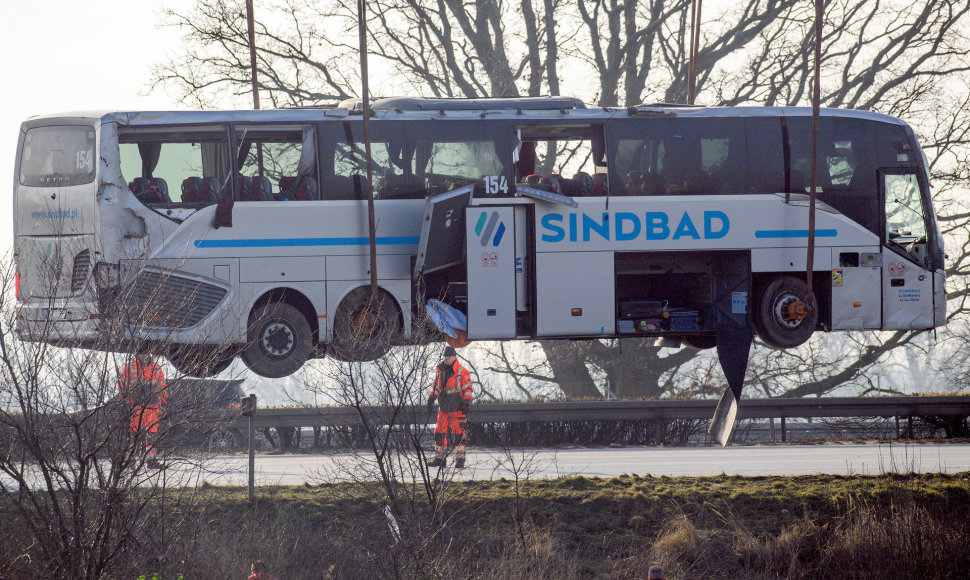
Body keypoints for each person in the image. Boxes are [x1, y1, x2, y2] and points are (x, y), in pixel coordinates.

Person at [427, 345, 472, 468]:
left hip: (457, 408)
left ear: (454, 357)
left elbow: (468, 389)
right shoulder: (440, 371)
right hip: (444, 407)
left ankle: (460, 460)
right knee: (439, 433)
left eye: (448, 357)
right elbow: (436, 387)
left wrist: (467, 402)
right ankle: (440, 459)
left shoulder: (462, 371)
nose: (446, 360)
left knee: (459, 434)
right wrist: (432, 398)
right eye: (445, 358)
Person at [120, 353, 168, 468]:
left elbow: (162, 386)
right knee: (133, 433)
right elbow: (122, 386)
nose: (144, 356)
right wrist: (126, 403)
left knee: (152, 434)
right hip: (135, 406)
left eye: (146, 353)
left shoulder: (156, 368)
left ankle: (151, 461)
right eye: (142, 353)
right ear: (137, 354)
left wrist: (162, 403)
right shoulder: (128, 367)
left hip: (153, 405)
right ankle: (130, 461)